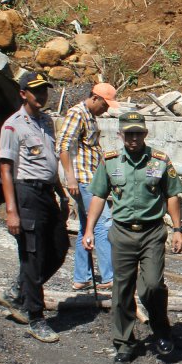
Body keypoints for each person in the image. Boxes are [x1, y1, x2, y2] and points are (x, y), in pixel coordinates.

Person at [82, 111, 182, 364]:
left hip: (152, 232)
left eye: (138, 133)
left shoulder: (159, 161)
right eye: (129, 133)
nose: (134, 138)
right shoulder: (110, 161)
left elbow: (172, 194)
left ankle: (161, 329)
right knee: (122, 290)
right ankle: (124, 342)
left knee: (152, 285)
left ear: (145, 134)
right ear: (121, 134)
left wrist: (178, 229)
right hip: (122, 232)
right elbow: (98, 195)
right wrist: (88, 230)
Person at [0, 71, 70, 343]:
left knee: (59, 248)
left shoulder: (46, 121)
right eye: (35, 90)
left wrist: (62, 196)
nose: (41, 95)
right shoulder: (13, 126)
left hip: (47, 193)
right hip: (26, 193)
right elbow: (6, 169)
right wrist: (11, 210)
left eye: (44, 90)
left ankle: (19, 290)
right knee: (32, 254)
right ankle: (35, 317)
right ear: (23, 93)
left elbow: (50, 163)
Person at [58, 82, 119, 291]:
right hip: (83, 179)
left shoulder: (90, 116)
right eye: (105, 104)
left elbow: (90, 147)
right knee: (103, 223)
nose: (106, 109)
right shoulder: (77, 113)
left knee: (87, 227)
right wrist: (70, 177)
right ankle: (109, 276)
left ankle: (81, 277)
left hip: (91, 178)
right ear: (95, 98)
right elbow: (64, 145)